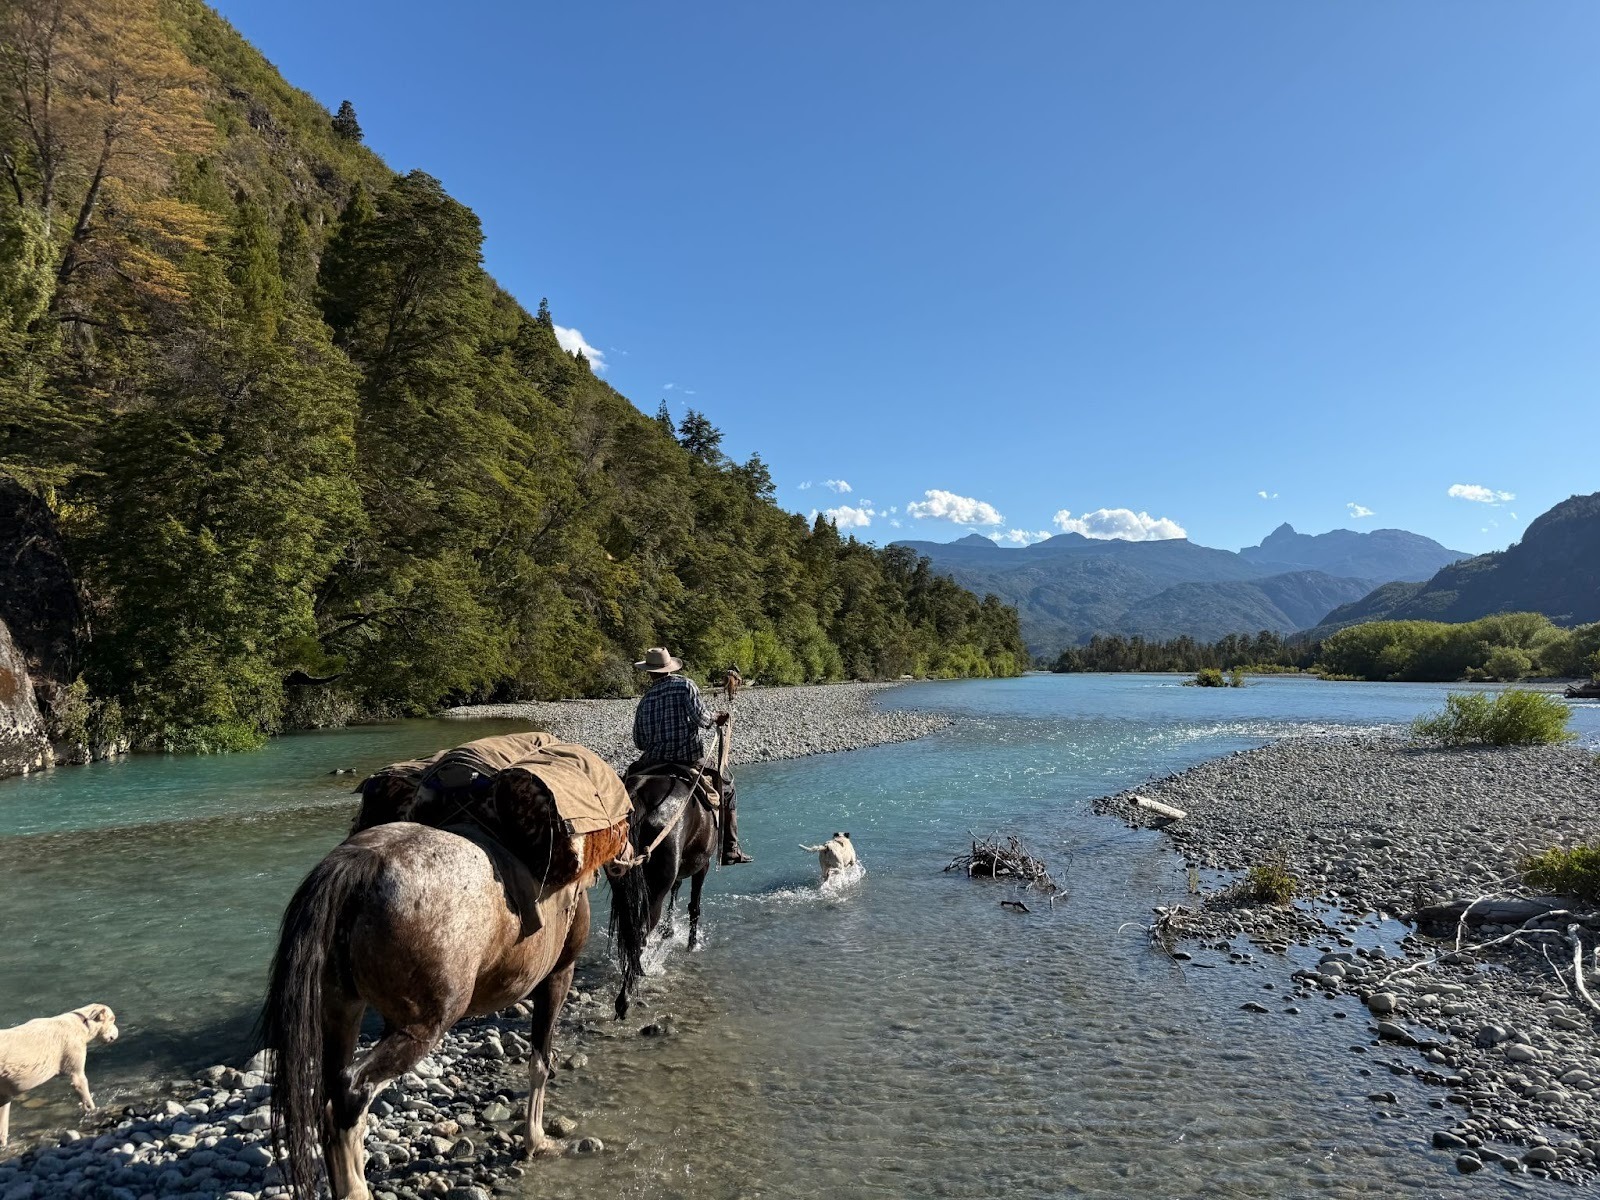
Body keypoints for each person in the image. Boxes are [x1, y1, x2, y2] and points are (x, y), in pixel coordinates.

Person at [631, 646, 752, 865]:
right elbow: (702, 719)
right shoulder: (684, 685)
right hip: (687, 759)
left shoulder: (645, 700)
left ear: (648, 672)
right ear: (669, 667)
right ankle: (730, 849)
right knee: (727, 787)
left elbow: (640, 742)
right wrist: (717, 717)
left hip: (652, 761)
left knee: (627, 788)